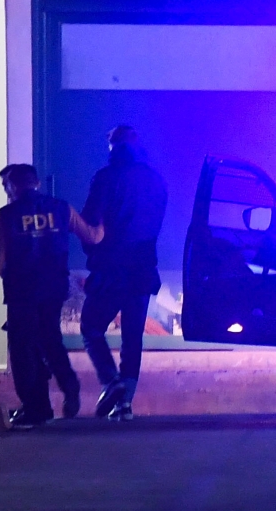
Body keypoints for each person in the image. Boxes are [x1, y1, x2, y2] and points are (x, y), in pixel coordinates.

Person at [0, 164, 103, 429]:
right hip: (53, 288)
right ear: (36, 182)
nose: (6, 191)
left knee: (23, 349)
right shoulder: (61, 208)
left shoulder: (9, 214)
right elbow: (92, 236)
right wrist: (108, 220)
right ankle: (69, 386)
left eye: (6, 187)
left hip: (22, 290)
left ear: (15, 185)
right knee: (50, 339)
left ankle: (37, 409)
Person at [80, 125, 167, 421]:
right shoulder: (156, 180)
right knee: (132, 337)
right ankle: (125, 404)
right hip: (143, 268)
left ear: (113, 146)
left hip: (111, 267)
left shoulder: (106, 178)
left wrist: (92, 250)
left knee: (91, 329)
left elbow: (90, 220)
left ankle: (111, 382)